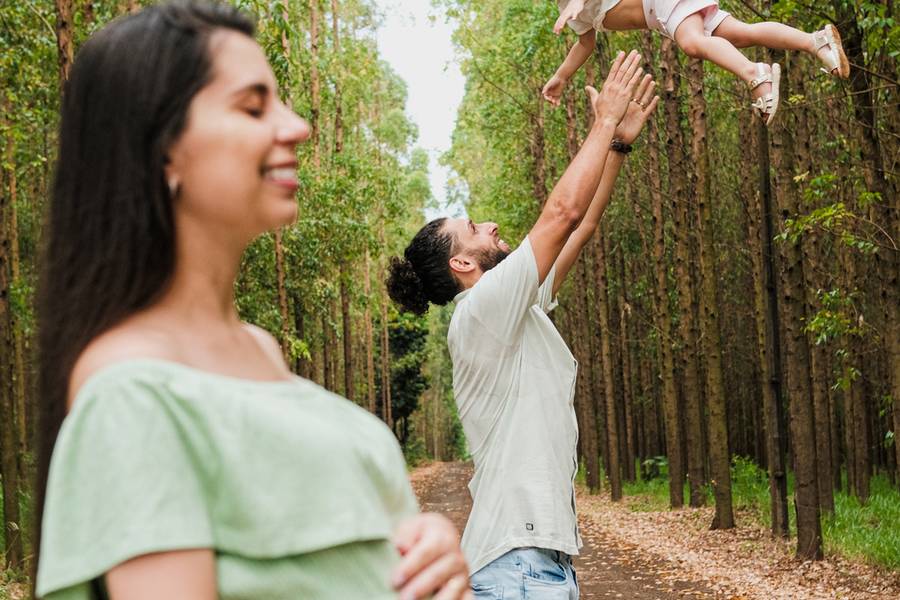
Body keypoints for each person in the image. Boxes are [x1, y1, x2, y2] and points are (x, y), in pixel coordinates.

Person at [33, 2, 470, 599]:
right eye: (253, 106)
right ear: (162, 148)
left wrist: (422, 553)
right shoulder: (130, 394)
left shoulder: (259, 351)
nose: (297, 126)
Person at [387, 50, 658, 599]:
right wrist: (602, 121)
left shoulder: (511, 307)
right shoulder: (483, 308)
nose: (489, 225)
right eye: (473, 228)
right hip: (518, 567)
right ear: (462, 264)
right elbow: (559, 215)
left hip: (534, 561)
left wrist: (618, 146)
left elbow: (578, 228)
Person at [543, 0, 850, 125]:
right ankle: (815, 41)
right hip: (665, 15)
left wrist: (575, 4)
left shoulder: (572, 5)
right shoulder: (566, 10)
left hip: (663, 5)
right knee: (741, 34)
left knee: (692, 43)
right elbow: (586, 43)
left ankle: (755, 73)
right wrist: (561, 76)